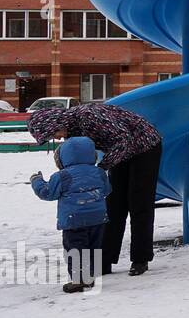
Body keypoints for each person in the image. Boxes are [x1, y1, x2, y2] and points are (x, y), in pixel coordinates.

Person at [28, 103, 163, 277]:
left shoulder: (89, 116)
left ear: (56, 123)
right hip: (119, 151)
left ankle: (140, 259)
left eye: (54, 134)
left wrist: (101, 168)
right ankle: (104, 260)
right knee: (114, 204)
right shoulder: (72, 131)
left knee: (139, 202)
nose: (58, 138)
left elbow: (124, 140)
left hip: (144, 146)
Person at [30, 136, 112, 294]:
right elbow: (107, 190)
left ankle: (78, 281)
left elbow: (47, 193)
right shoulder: (99, 172)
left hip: (73, 219)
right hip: (97, 218)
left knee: (74, 249)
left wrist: (36, 181)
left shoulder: (62, 176)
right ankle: (89, 277)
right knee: (93, 247)